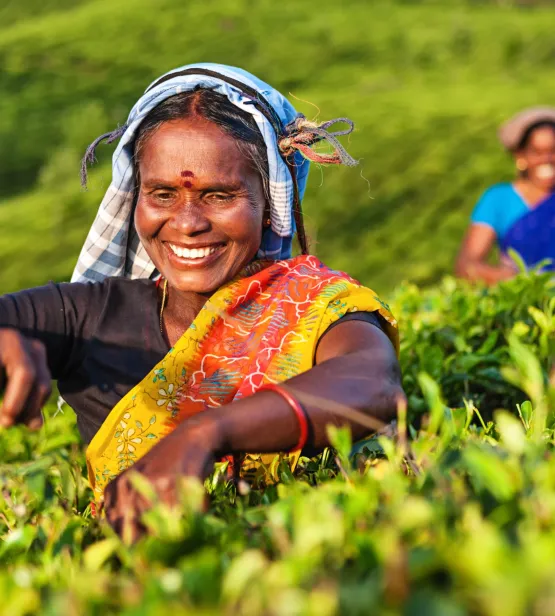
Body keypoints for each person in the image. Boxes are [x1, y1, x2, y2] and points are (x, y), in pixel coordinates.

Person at [0, 64, 403, 536]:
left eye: (219, 195)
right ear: (136, 198)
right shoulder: (88, 316)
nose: (187, 222)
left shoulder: (316, 306)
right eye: (163, 193)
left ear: (268, 201)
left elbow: (372, 383)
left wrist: (206, 432)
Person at [456, 107, 555, 284]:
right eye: (537, 152)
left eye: (553, 151)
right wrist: (523, 282)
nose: (547, 159)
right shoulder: (499, 199)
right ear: (520, 156)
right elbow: (467, 265)